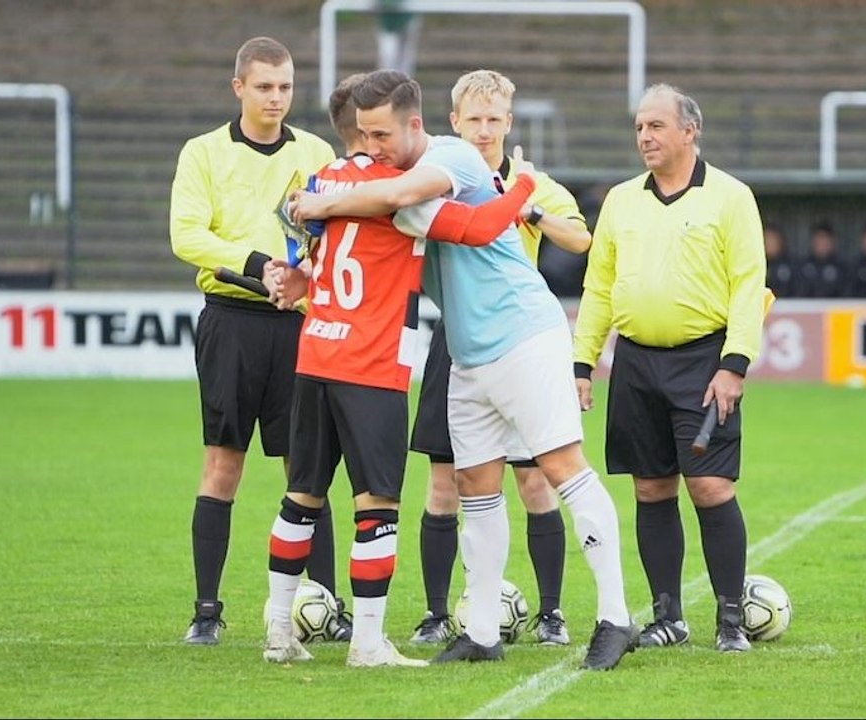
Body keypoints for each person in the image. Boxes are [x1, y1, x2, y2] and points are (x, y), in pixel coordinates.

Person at [290, 69, 637, 671]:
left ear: (416, 127)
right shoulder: (387, 179)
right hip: (468, 352)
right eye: (365, 136)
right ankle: (480, 631)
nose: (374, 148)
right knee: (474, 486)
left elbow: (409, 203)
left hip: (523, 335)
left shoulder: (452, 159)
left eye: (383, 136)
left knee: (561, 469)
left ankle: (615, 617)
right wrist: (295, 268)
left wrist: (318, 201)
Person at [258, 74, 540, 667]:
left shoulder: (323, 181)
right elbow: (479, 227)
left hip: (314, 353)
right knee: (376, 506)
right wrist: (523, 187)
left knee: (301, 496)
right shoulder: (401, 192)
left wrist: (298, 278)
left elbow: (311, 254)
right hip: (372, 363)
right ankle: (367, 642)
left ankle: (279, 633)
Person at [573, 84, 766, 653]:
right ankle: (667, 616)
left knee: (709, 485)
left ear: (690, 130)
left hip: (703, 362)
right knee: (652, 487)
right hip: (633, 363)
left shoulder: (731, 197)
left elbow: (748, 286)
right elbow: (599, 286)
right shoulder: (620, 200)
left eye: (656, 126)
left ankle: (731, 620)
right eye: (639, 127)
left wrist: (734, 365)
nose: (645, 137)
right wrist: (582, 362)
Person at [168, 36, 346, 646]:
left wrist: (302, 277)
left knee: (308, 469)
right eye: (264, 86)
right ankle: (207, 612)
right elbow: (187, 236)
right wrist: (257, 264)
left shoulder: (317, 151)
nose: (276, 97)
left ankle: (325, 606)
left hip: (300, 326)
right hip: (232, 322)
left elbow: (335, 232)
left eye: (286, 86)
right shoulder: (203, 153)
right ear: (238, 86)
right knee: (224, 463)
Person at [407, 69, 592, 648]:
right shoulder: (437, 175)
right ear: (453, 122)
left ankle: (553, 614)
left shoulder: (533, 183)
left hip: (520, 344)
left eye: (495, 120)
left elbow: (581, 240)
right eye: (474, 120)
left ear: (508, 124)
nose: (484, 130)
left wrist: (529, 209)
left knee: (536, 484)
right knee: (446, 485)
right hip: (458, 339)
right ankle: (438, 613)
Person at [793, 220, 848, 298]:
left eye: (826, 239)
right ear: (813, 241)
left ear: (833, 242)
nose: (822, 244)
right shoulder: (801, 267)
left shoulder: (843, 268)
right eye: (819, 239)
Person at [763, 223, 797, 299]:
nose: (769, 243)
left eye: (773, 239)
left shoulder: (791, 265)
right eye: (767, 239)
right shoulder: (758, 266)